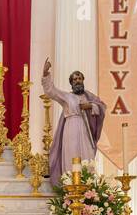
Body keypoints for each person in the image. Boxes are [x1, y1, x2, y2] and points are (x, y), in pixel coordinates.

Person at [41, 57, 107, 187]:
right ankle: (70, 186)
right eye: (75, 79)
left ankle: (88, 187)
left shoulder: (89, 97)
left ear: (83, 81)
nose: (77, 81)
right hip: (70, 129)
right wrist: (45, 74)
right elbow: (51, 91)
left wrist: (90, 106)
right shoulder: (67, 96)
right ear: (71, 83)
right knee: (71, 156)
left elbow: (102, 106)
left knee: (87, 156)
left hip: (85, 128)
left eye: (79, 78)